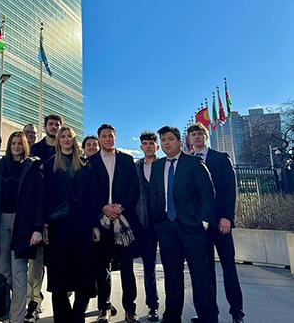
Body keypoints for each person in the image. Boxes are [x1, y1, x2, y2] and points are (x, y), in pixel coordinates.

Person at [149, 126, 218, 323]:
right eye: (163, 140)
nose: (166, 143)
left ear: (180, 142)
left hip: (193, 229)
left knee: (200, 276)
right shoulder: (157, 166)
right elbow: (154, 194)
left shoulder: (194, 163)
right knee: (172, 277)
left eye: (170, 139)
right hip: (167, 229)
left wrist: (203, 222)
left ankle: (208, 317)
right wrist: (158, 220)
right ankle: (172, 316)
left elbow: (207, 194)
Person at [0, 131, 45, 323]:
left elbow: (40, 198)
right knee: (3, 272)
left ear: (25, 145)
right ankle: (7, 313)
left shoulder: (33, 167)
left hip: (22, 224)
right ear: (9, 145)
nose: (16, 146)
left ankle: (17, 318)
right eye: (13, 142)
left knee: (19, 272)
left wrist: (37, 228)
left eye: (19, 143)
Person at [187, 123, 244, 323]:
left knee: (229, 267)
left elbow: (230, 190)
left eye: (199, 133)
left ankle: (237, 311)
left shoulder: (220, 158)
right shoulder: (188, 162)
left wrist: (227, 216)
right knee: (205, 271)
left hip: (221, 223)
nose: (196, 137)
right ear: (189, 139)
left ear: (205, 136)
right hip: (201, 227)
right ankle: (209, 314)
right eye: (192, 134)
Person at [42, 127, 96, 323]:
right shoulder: (49, 165)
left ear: (74, 141)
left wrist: (94, 225)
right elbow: (44, 196)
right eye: (62, 136)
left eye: (69, 137)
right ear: (57, 140)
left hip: (81, 226)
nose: (65, 139)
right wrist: (44, 224)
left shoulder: (84, 164)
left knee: (83, 276)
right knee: (59, 279)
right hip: (58, 227)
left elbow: (91, 197)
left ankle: (78, 316)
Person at [90, 124, 141, 323]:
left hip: (124, 222)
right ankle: (104, 308)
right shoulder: (91, 162)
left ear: (115, 138)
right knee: (102, 268)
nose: (108, 139)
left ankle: (130, 310)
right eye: (104, 136)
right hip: (102, 223)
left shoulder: (127, 160)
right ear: (99, 139)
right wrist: (103, 209)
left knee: (128, 268)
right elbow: (89, 192)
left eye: (110, 136)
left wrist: (120, 208)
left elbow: (133, 189)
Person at [26, 114, 62, 322]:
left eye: (57, 124)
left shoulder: (67, 147)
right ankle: (34, 302)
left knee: (60, 261)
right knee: (36, 265)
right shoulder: (35, 150)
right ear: (45, 127)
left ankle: (64, 297)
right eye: (51, 124)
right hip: (39, 214)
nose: (54, 127)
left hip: (61, 216)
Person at [134, 132, 160, 322]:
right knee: (149, 267)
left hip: (166, 223)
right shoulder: (135, 168)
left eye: (151, 143)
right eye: (145, 143)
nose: (148, 146)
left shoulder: (165, 165)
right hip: (145, 224)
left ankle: (174, 308)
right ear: (141, 147)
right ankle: (153, 306)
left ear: (156, 146)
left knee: (171, 266)